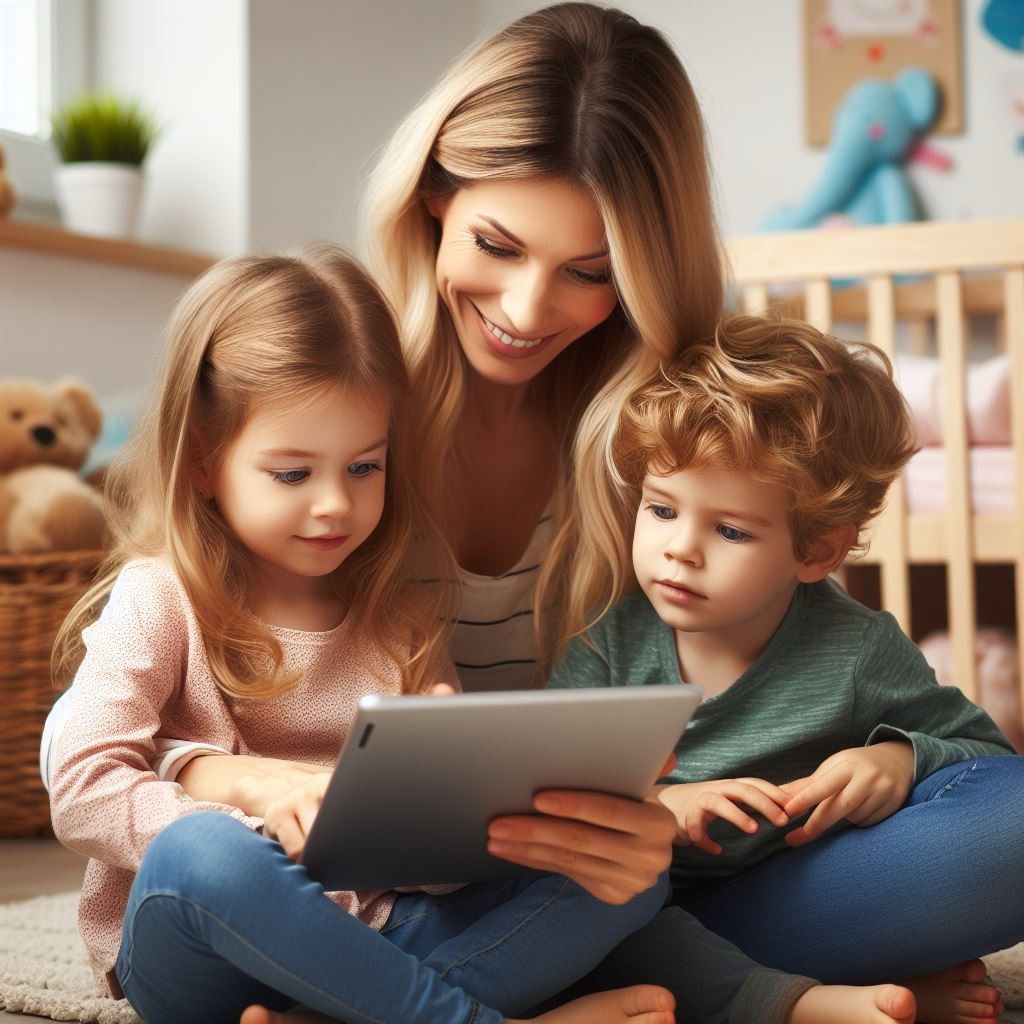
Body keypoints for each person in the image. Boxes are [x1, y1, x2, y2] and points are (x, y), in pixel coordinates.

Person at [42, 5, 994, 1022]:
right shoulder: (336, 388)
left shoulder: (667, 426)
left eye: (590, 272)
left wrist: (649, 824)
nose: (530, 308)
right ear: (431, 202)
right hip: (323, 906)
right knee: (220, 871)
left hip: (595, 879)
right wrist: (224, 774)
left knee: (986, 829)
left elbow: (782, 642)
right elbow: (114, 768)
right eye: (498, 244)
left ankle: (373, 1002)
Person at [48, 245, 678, 1024]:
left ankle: (344, 1014)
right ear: (206, 462)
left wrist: (460, 811)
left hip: (381, 937)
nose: (334, 506)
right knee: (201, 856)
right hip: (209, 942)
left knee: (634, 870)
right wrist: (253, 821)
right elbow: (81, 790)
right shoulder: (161, 594)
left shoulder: (399, 617)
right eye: (292, 474)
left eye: (364, 468)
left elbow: (437, 876)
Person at [547, 314, 1024, 1023]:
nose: (680, 549)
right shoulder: (606, 644)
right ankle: (797, 1003)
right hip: (640, 915)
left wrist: (896, 759)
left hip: (797, 903)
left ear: (818, 553)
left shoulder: (857, 649)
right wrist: (665, 809)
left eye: (730, 530)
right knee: (583, 908)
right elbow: (555, 800)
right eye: (661, 509)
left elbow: (982, 761)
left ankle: (794, 983)